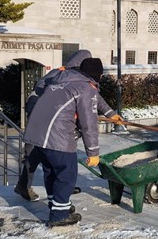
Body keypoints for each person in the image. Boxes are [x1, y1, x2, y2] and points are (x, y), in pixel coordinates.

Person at [14, 50, 121, 202]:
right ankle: (24, 184)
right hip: (41, 118)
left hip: (58, 121)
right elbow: (43, 94)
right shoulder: (59, 74)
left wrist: (110, 113)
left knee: (60, 156)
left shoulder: (78, 79)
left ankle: (62, 190)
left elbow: (93, 96)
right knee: (37, 154)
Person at [23, 57, 104, 227]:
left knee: (51, 172)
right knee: (66, 174)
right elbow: (88, 124)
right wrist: (93, 153)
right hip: (57, 137)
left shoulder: (59, 82)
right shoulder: (85, 88)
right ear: (98, 75)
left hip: (37, 136)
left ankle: (58, 206)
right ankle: (59, 216)